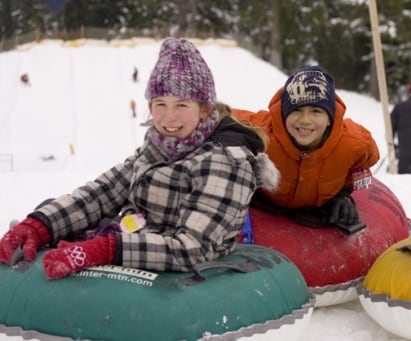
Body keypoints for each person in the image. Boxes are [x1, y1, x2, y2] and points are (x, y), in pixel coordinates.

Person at [0, 38, 279, 280]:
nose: (169, 118)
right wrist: (39, 224)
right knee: (52, 212)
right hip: (132, 238)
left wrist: (107, 249)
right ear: (149, 107)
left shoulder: (226, 161)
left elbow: (191, 247)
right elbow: (100, 194)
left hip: (179, 269)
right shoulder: (156, 149)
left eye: (181, 105)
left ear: (205, 110)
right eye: (161, 105)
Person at [234, 65, 379, 234]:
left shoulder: (354, 144)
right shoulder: (259, 133)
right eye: (296, 110)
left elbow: (359, 164)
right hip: (264, 203)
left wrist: (342, 195)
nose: (305, 120)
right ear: (283, 114)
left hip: (320, 208)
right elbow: (216, 116)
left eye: (316, 111)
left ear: (330, 118)